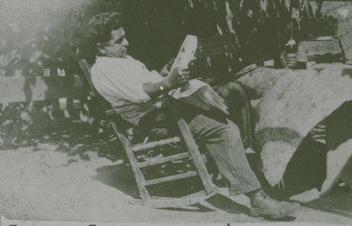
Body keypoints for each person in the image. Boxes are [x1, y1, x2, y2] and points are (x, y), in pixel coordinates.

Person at [86, 12, 299, 218]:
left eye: (125, 37)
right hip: (153, 118)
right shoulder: (103, 69)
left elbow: (148, 82)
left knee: (232, 93)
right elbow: (140, 93)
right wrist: (170, 83)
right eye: (119, 40)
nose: (127, 43)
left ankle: (241, 172)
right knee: (223, 130)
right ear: (100, 47)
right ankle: (257, 200)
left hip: (164, 107)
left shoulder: (122, 60)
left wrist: (167, 72)